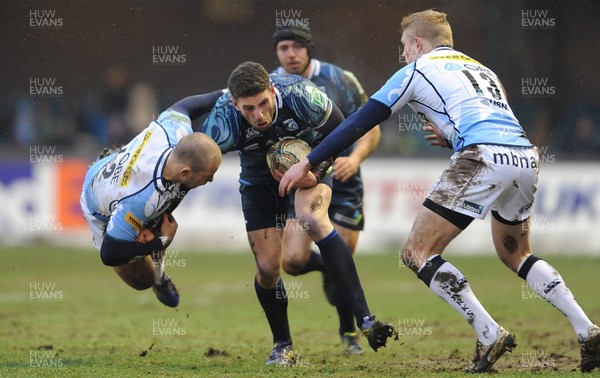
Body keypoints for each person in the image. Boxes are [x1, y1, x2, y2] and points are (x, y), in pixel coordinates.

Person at [279, 9, 600, 373]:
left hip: (481, 156)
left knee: (417, 252)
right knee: (518, 254)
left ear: (417, 43)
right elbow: (489, 118)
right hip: (525, 156)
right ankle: (586, 328)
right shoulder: (483, 70)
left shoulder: (416, 69)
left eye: (404, 46)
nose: (402, 54)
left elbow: (360, 121)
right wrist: (451, 138)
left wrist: (309, 162)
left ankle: (489, 332)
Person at [199, 61, 395, 366]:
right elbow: (195, 162)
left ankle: (366, 320)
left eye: (263, 103)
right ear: (235, 105)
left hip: (311, 165)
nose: (259, 116)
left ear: (273, 90)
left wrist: (314, 171)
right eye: (248, 109)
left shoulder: (302, 96)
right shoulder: (222, 121)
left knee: (312, 218)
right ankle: (283, 346)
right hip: (258, 182)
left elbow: (341, 132)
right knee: (268, 268)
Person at [271, 25, 382, 355]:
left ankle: (348, 332)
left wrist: (357, 157)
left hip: (345, 180)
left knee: (342, 258)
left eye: (296, 47)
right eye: (283, 48)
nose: (290, 54)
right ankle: (326, 266)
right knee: (291, 261)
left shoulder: (339, 79)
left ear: (308, 49)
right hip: (304, 182)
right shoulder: (272, 85)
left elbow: (370, 125)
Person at [80, 91, 224, 307]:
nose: (211, 180)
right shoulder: (139, 200)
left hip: (126, 169)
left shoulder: (174, 129)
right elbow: (110, 254)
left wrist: (229, 93)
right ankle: (157, 278)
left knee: (163, 207)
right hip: (100, 205)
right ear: (185, 171)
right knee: (142, 281)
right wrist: (160, 242)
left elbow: (187, 105)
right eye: (208, 175)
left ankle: (155, 239)